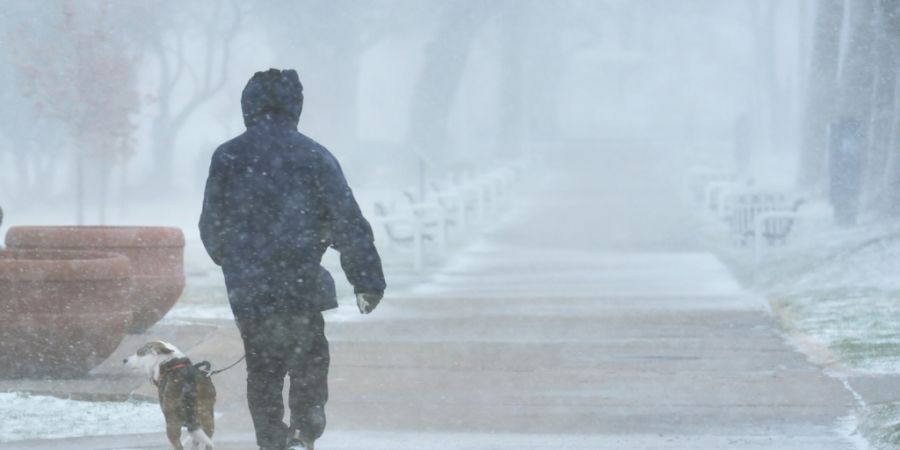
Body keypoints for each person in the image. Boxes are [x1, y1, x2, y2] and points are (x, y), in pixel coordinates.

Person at [199, 68, 386, 450]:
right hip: (300, 284)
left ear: (247, 106)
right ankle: (304, 430)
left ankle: (270, 440)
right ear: (295, 106)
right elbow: (347, 220)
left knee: (263, 370)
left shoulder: (228, 156)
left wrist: (236, 262)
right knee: (309, 362)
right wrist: (366, 281)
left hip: (250, 290)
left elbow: (210, 226)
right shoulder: (314, 156)